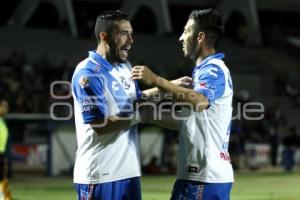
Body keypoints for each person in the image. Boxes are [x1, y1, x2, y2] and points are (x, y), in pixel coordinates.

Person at [132, 8, 234, 199]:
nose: (181, 38)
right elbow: (192, 124)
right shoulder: (204, 72)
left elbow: (201, 101)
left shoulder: (212, 68)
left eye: (186, 31)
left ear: (200, 36)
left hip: (203, 177)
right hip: (203, 176)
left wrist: (156, 80)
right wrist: (149, 116)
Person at [71, 10, 144, 200]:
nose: (131, 40)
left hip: (129, 173)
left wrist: (167, 86)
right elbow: (100, 125)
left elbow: (138, 101)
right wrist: (142, 116)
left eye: (131, 33)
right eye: (123, 33)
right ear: (104, 36)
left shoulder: (125, 67)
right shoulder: (87, 73)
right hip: (100, 175)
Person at [0, 96, 11, 200]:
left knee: (3, 180)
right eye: (3, 106)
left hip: (1, 155)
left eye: (7, 106)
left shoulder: (2, 122)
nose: (6, 108)